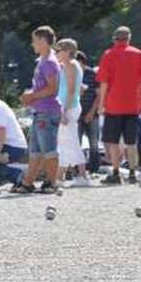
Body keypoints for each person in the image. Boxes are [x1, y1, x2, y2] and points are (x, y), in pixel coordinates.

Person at [11, 26, 62, 194]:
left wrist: (32, 96)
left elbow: (53, 88)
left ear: (42, 41)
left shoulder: (48, 62)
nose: (32, 44)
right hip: (40, 111)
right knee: (35, 151)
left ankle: (52, 182)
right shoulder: (43, 60)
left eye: (34, 40)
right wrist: (31, 97)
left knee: (48, 150)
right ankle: (28, 182)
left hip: (47, 111)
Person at [97, 26, 141, 184]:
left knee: (113, 141)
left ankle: (116, 173)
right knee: (131, 141)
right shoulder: (138, 54)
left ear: (114, 39)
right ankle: (133, 173)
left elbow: (104, 82)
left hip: (113, 105)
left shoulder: (108, 55)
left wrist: (101, 103)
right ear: (129, 38)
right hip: (132, 105)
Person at [55, 39, 91, 186]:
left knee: (65, 141)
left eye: (59, 50)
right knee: (71, 141)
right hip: (70, 106)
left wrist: (63, 111)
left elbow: (70, 91)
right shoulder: (70, 65)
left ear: (67, 51)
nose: (57, 53)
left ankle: (60, 176)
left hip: (68, 107)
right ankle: (80, 175)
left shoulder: (70, 65)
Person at [76, 51, 101, 174]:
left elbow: (98, 95)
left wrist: (92, 112)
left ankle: (94, 167)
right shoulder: (72, 74)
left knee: (94, 143)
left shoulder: (92, 74)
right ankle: (77, 168)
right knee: (76, 142)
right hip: (76, 114)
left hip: (92, 113)